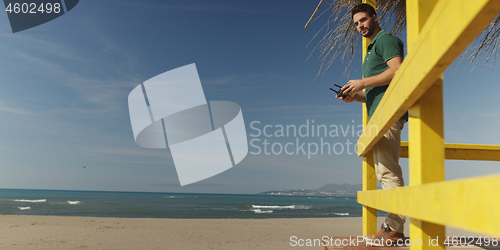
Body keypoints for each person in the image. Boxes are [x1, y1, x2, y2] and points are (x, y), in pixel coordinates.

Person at [336, 3, 408, 246]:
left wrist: (362, 82)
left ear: (375, 17)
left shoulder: (386, 40)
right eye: (356, 24)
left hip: (389, 115)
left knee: (389, 172)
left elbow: (398, 71)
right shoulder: (371, 50)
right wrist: (353, 95)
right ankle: (390, 226)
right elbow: (374, 92)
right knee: (384, 173)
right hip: (379, 116)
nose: (360, 26)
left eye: (364, 20)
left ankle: (395, 230)